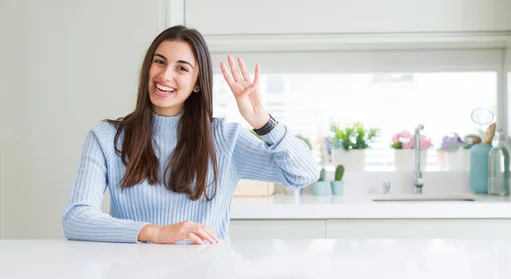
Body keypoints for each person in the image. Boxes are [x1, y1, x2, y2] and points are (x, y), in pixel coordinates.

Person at [62, 25, 319, 244]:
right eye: (159, 61)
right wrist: (156, 232)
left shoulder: (224, 139)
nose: (165, 75)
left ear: (197, 82)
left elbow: (304, 174)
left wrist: (262, 122)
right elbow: (76, 219)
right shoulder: (107, 137)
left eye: (182, 68)